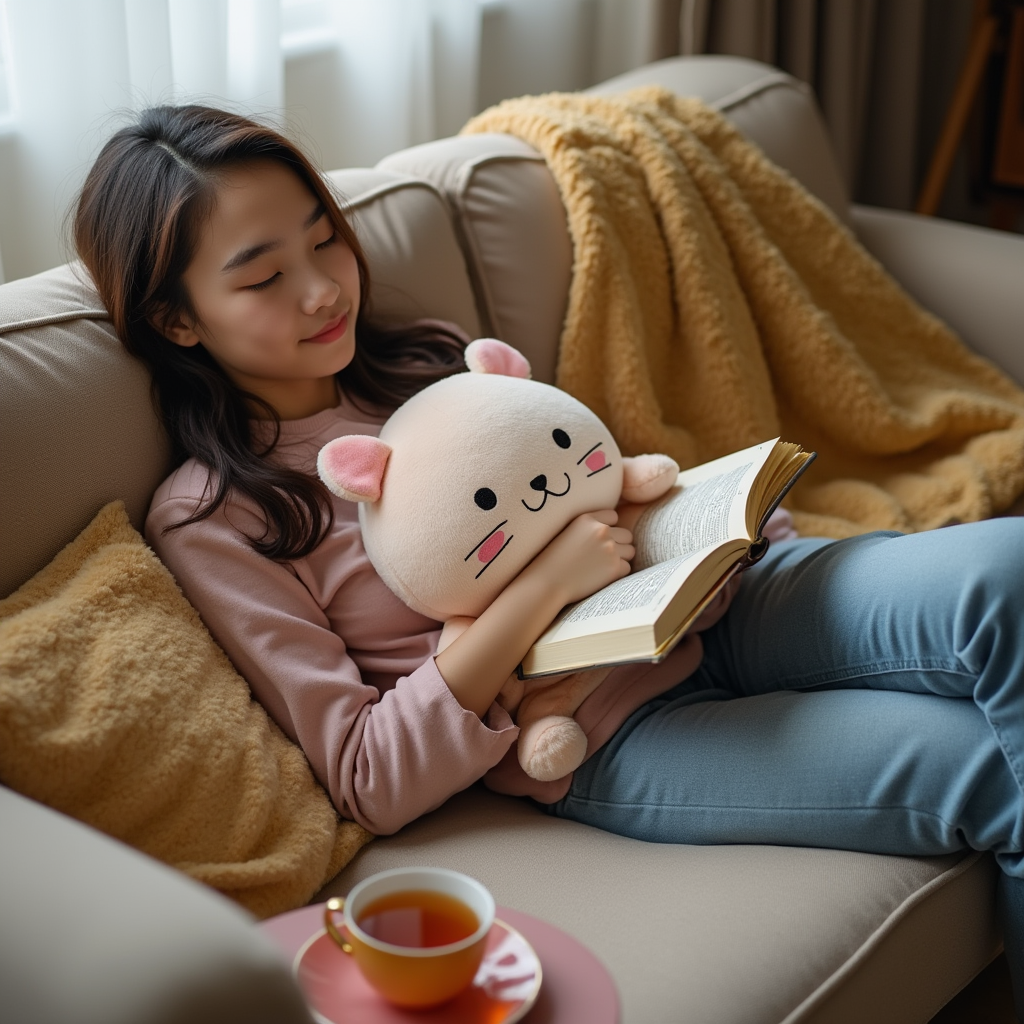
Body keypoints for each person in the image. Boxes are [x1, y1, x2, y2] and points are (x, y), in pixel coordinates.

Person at [74, 104, 1024, 1009]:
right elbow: (367, 773)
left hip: (718, 597)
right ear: (178, 320)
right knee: (981, 764)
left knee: (1005, 576)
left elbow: (586, 481)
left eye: (322, 239)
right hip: (604, 736)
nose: (323, 288)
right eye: (262, 275)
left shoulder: (433, 363)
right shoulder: (220, 517)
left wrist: (713, 518)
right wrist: (534, 596)